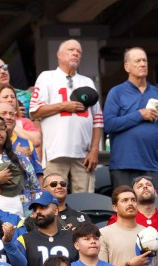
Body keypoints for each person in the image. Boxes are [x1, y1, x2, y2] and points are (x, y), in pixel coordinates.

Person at [29, 40, 102, 193]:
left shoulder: (87, 81)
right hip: (55, 150)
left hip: (84, 153)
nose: (75, 53)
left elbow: (97, 120)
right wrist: (63, 106)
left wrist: (95, 149)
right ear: (59, 54)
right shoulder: (46, 77)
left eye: (78, 51)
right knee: (53, 198)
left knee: (85, 200)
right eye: (71, 50)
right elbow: (35, 111)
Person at [103, 47, 158, 189]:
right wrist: (139, 115)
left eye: (144, 60)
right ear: (127, 66)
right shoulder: (117, 92)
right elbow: (109, 124)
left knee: (154, 209)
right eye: (137, 61)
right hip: (123, 166)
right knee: (126, 209)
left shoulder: (156, 92)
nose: (142, 64)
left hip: (152, 165)